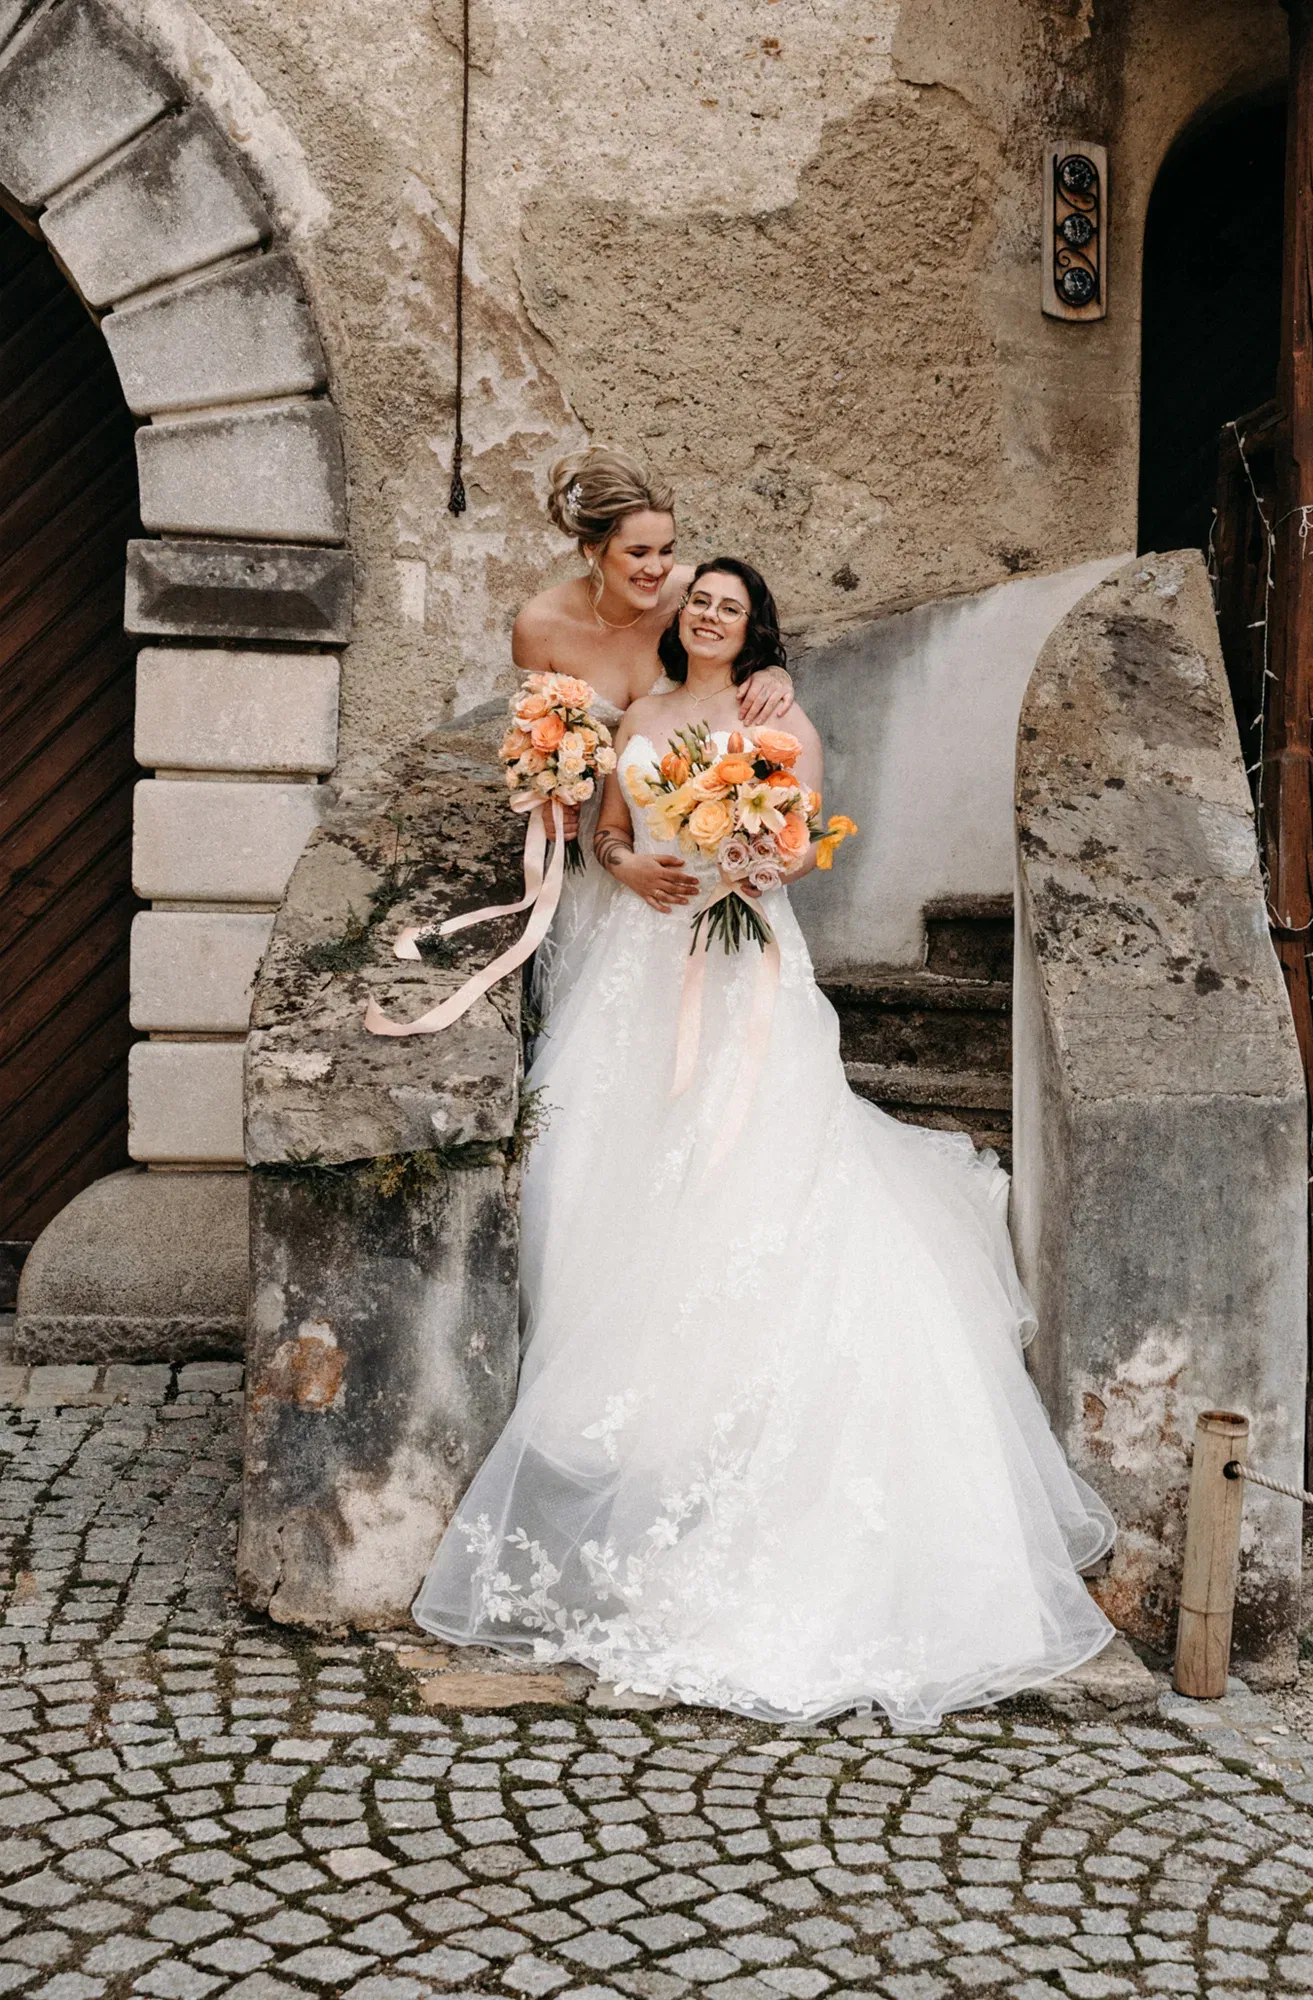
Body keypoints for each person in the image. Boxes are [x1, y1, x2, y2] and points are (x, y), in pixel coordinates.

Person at [414, 558, 1116, 1726]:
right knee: (605, 1159)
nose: (704, 614)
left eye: (727, 607)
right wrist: (623, 855)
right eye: (696, 600)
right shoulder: (639, 712)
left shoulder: (773, 712)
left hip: (740, 966)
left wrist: (757, 852)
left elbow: (798, 845)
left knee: (753, 1162)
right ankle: (612, 1409)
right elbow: (604, 831)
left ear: (752, 628)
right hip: (637, 968)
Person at [517, 447, 794, 1020]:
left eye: (666, 550)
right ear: (594, 549)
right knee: (598, 1002)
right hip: (602, 832)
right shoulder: (540, 626)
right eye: (637, 552)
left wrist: (772, 670)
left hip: (690, 840)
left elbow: (745, 639)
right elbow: (537, 730)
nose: (657, 568)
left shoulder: (693, 596)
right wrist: (545, 794)